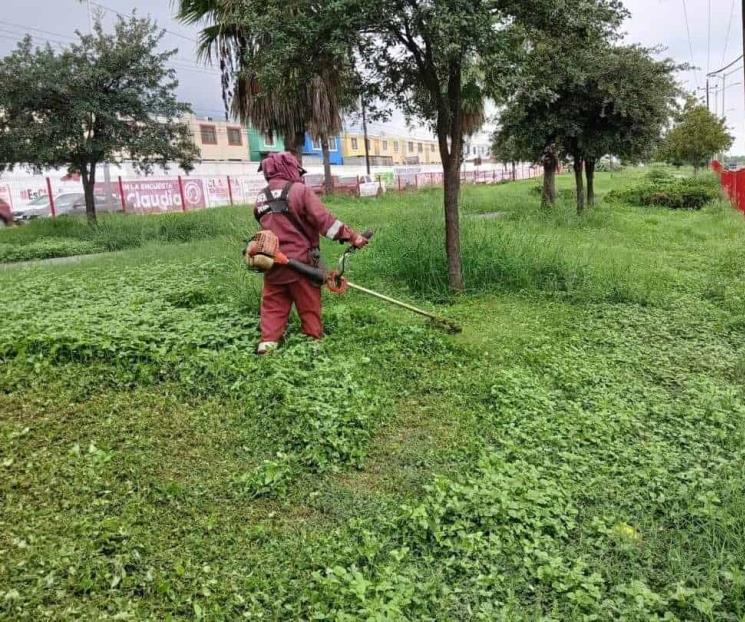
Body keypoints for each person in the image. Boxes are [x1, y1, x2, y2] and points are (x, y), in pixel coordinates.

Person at [253, 151, 368, 354]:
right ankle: (312, 346)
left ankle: (267, 345)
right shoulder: (299, 191)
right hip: (302, 264)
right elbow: (327, 223)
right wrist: (354, 237)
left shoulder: (260, 198)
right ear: (289, 167)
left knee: (273, 306)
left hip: (272, 262)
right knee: (309, 306)